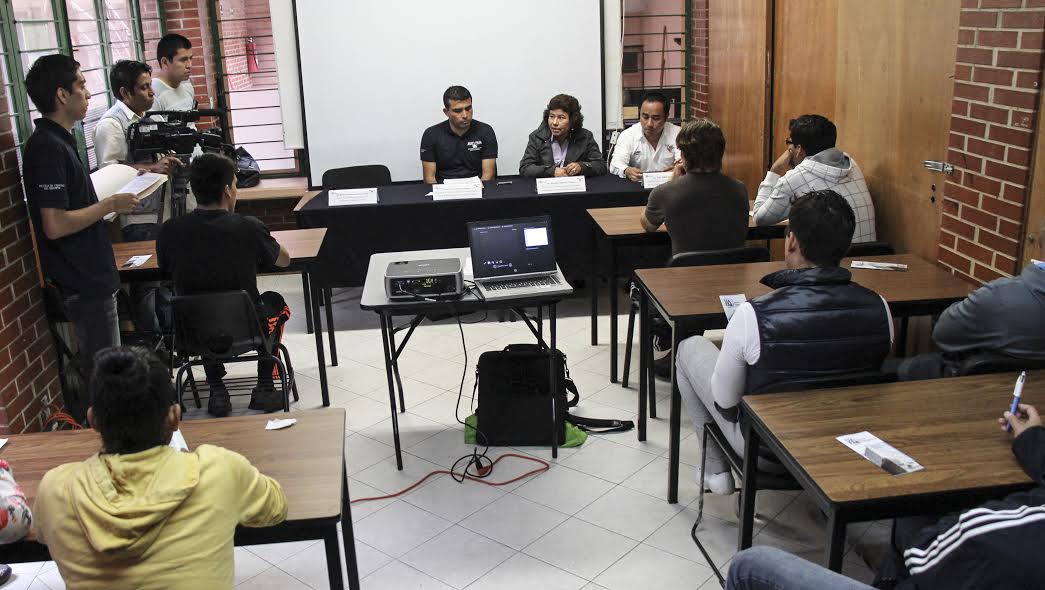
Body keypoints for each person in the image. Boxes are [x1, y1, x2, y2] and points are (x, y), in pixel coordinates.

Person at [677, 190, 892, 494]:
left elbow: (725, 402)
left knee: (688, 348)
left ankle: (715, 471)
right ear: (846, 245)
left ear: (791, 241)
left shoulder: (752, 314)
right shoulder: (880, 307)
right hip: (847, 444)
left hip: (770, 452)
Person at [32, 346, 288, 590]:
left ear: (93, 421)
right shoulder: (220, 470)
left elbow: (42, 534)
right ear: (175, 417)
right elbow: (276, 507)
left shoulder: (56, 489)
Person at [724, 404, 1045, 590]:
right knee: (913, 514)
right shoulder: (879, 311)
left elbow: (929, 553)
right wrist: (1032, 438)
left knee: (749, 564)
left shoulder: (1000, 538)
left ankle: (716, 472)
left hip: (761, 450)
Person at [23, 54, 139, 419]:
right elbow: (55, 224)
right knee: (108, 381)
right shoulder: (47, 147)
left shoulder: (62, 140)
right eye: (82, 85)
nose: (88, 94)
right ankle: (112, 440)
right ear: (62, 95)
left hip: (93, 275)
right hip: (82, 282)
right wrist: (109, 204)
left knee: (110, 374)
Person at [157, 153, 291, 416]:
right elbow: (284, 261)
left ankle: (217, 391)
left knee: (203, 308)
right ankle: (265, 387)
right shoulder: (248, 227)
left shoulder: (169, 231)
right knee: (274, 300)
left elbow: (165, 271)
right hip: (247, 328)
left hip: (192, 332)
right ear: (228, 190)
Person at [95, 59, 183, 337]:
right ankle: (152, 342)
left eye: (150, 85)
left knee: (166, 280)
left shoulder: (148, 117)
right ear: (124, 92)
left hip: (163, 211)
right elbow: (109, 173)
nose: (151, 92)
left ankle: (171, 339)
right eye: (144, 88)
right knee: (146, 285)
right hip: (137, 217)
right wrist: (152, 168)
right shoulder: (111, 125)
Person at [898, 217, 1045, 380]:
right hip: (1034, 392)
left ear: (1040, 244)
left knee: (908, 368)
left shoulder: (998, 296)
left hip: (971, 387)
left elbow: (943, 334)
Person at [751, 114, 876, 243]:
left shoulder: (794, 178)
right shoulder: (851, 165)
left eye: (789, 142)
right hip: (868, 253)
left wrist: (774, 171)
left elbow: (760, 217)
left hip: (832, 256)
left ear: (799, 149)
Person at [640, 118, 749, 255]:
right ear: (720, 153)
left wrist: (672, 181)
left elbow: (648, 225)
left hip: (686, 268)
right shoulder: (739, 188)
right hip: (734, 267)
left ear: (683, 155)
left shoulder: (664, 192)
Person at [420, 86, 498, 184]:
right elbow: (429, 178)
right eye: (458, 111)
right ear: (446, 112)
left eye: (468, 108)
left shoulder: (485, 131)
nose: (465, 115)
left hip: (478, 188)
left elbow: (488, 175)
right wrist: (440, 192)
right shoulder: (431, 135)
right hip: (443, 189)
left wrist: (477, 191)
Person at [520, 93, 608, 178]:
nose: (554, 122)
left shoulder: (585, 137)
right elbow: (525, 168)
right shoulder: (537, 137)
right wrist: (551, 171)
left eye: (561, 117)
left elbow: (601, 165)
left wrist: (581, 167)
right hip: (546, 187)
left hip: (574, 186)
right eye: (551, 116)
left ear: (573, 120)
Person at [610, 92, 681, 181]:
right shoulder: (628, 135)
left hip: (670, 185)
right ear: (639, 114)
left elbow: (684, 162)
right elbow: (615, 164)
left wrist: (679, 169)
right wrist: (626, 170)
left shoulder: (678, 134)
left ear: (666, 117)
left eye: (656, 118)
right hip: (637, 186)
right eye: (645, 117)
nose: (649, 124)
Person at [152, 33, 195, 112]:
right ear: (165, 62)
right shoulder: (153, 94)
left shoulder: (187, 86)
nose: (189, 65)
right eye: (183, 60)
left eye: (190, 58)